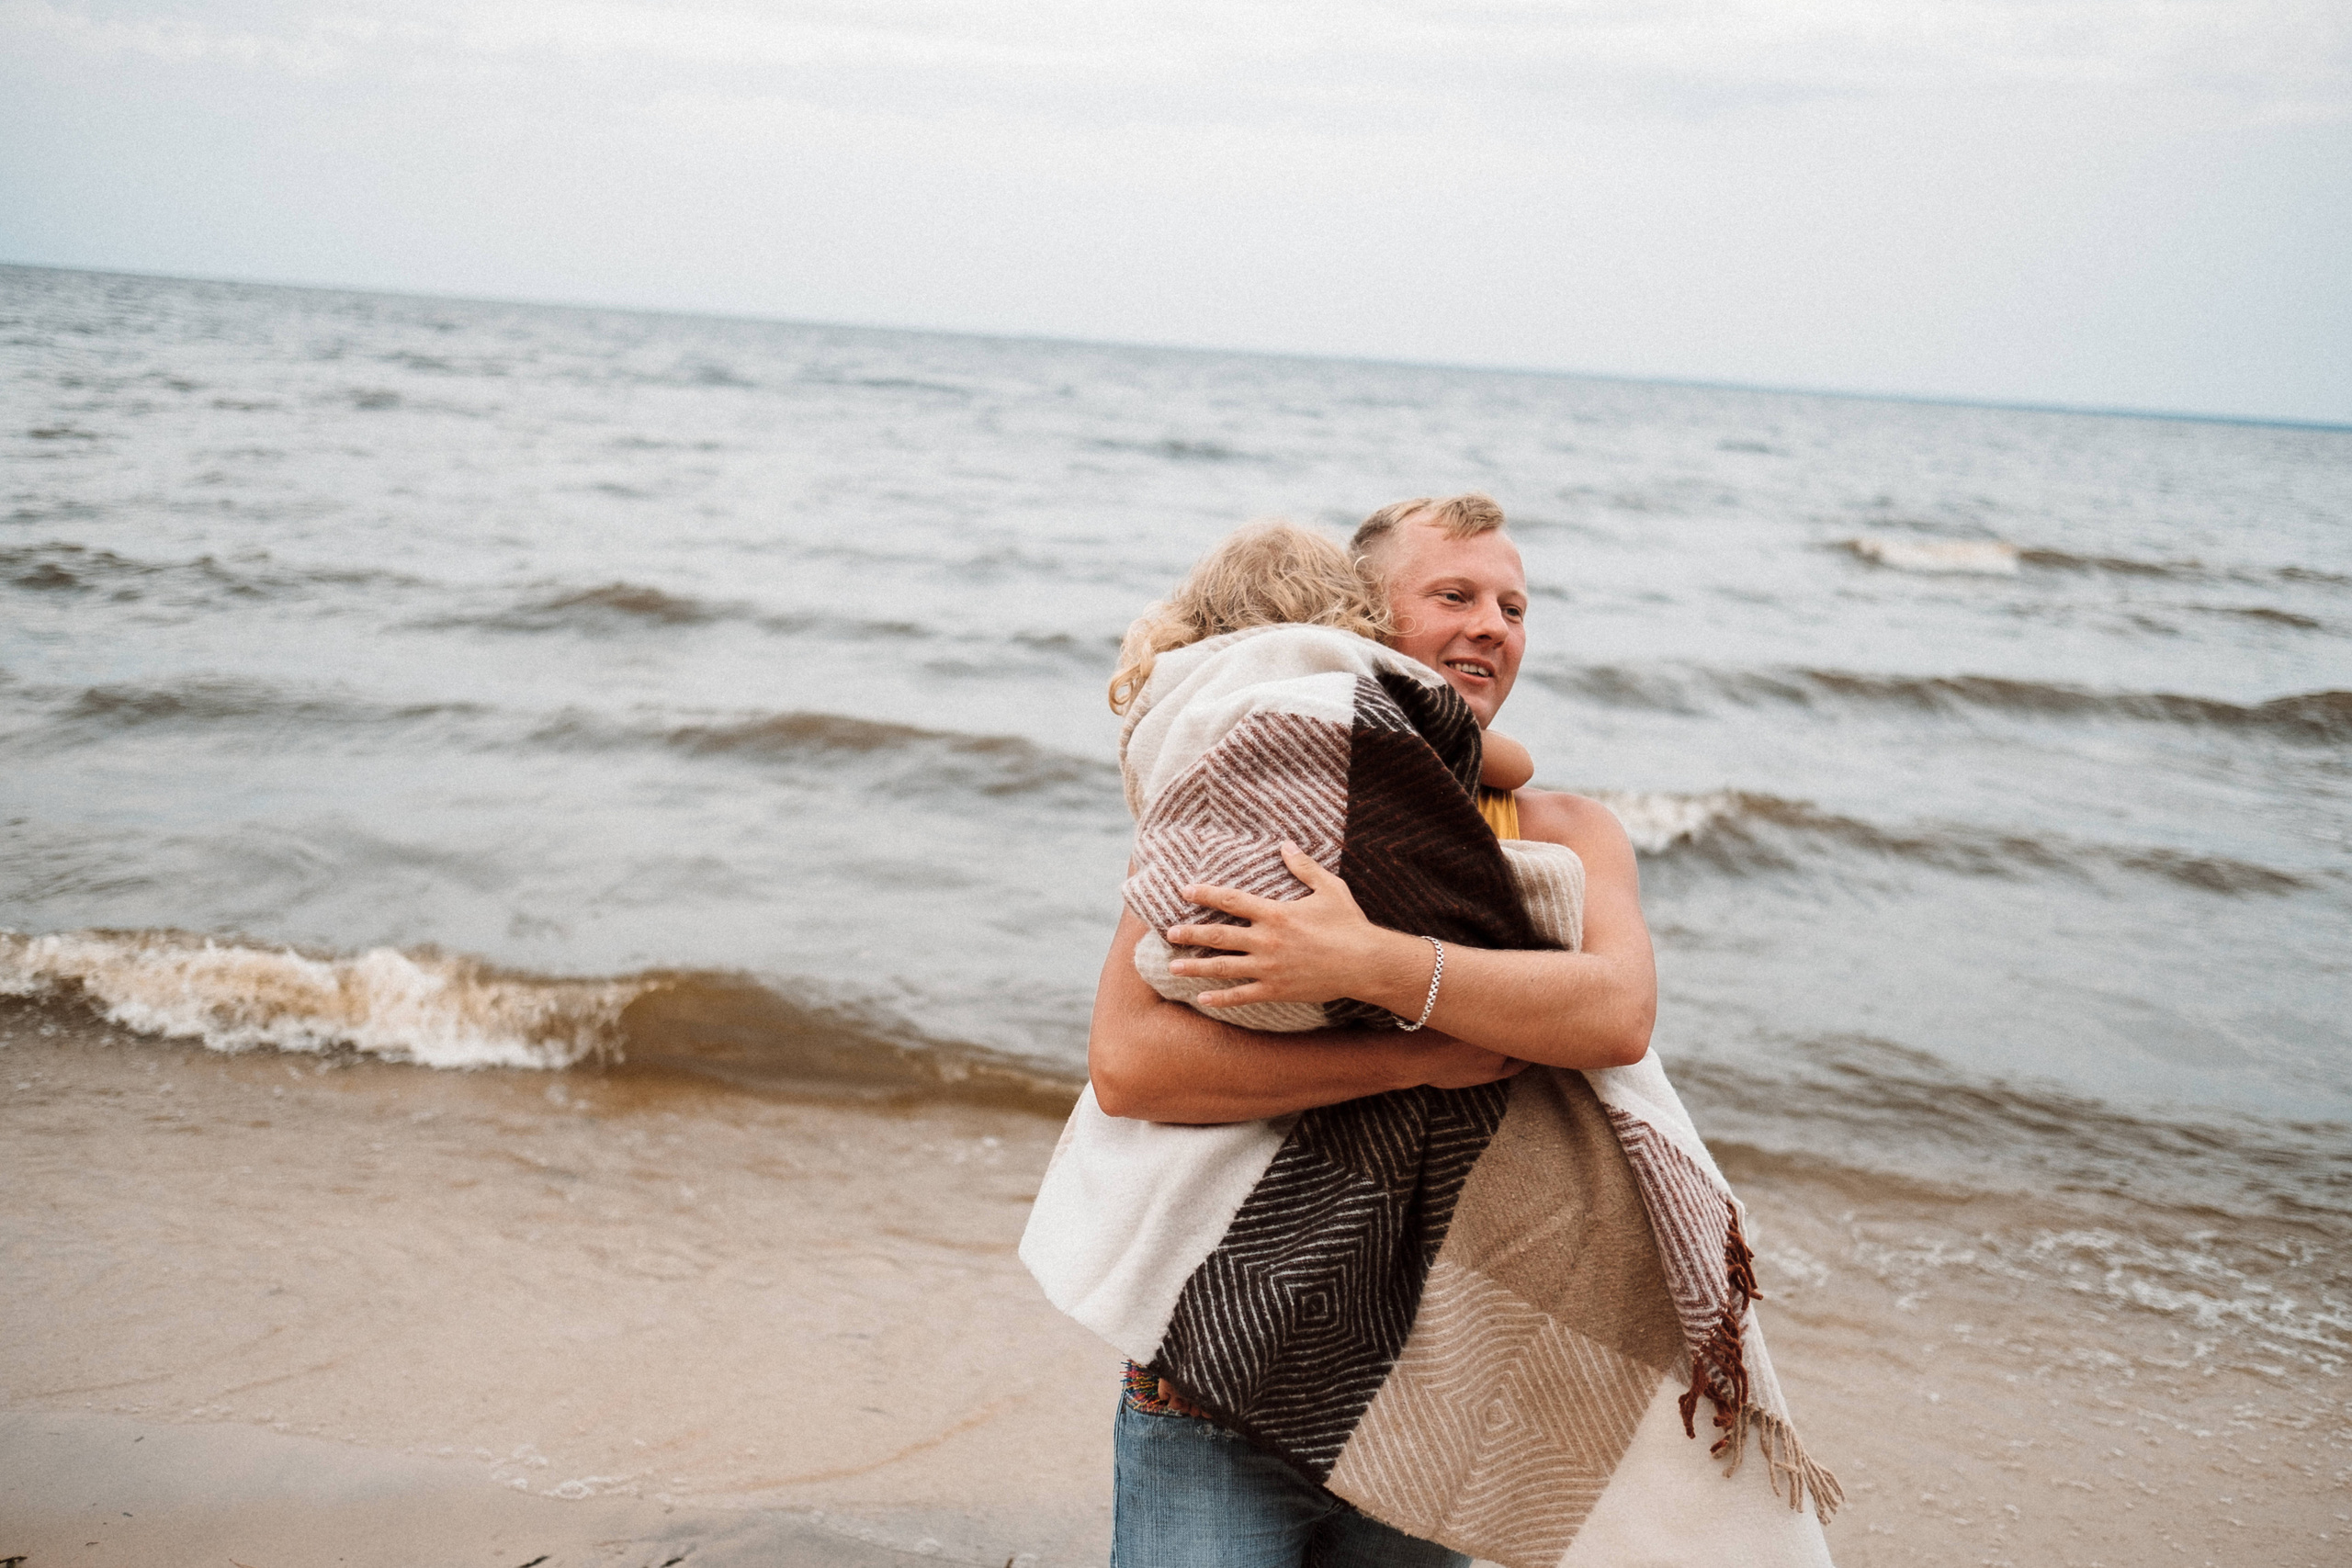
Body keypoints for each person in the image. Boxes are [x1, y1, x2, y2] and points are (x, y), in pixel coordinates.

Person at [1082, 493, 1664, 1567]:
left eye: (1515, 605)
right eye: (1454, 595)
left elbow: (1615, 1014)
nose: (1493, 623)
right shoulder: (1243, 799)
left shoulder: (1567, 830)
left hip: (1428, 1396)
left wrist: (1370, 965)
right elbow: (1128, 1065)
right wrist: (1417, 1052)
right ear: (1358, 624)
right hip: (1213, 1380)